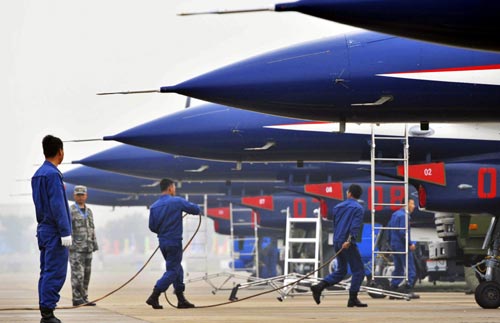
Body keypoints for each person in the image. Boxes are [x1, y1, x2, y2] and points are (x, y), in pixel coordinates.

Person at [31, 135, 72, 323]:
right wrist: (65, 232)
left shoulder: (38, 174)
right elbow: (58, 205)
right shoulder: (53, 174)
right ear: (60, 152)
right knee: (55, 271)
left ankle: (45, 309)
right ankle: (48, 313)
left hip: (43, 230)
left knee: (46, 271)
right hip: (55, 232)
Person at [146, 178, 201, 310]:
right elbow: (196, 209)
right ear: (170, 188)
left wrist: (163, 231)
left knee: (177, 268)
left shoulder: (154, 206)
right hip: (174, 242)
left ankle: (181, 299)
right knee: (173, 270)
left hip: (163, 242)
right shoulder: (176, 201)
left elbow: (152, 227)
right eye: (174, 187)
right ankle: (155, 295)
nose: (175, 190)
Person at [310, 184, 367, 308]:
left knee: (341, 270)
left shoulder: (338, 206)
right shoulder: (358, 208)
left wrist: (339, 239)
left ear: (349, 193)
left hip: (337, 240)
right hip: (347, 243)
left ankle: (319, 287)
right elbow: (355, 226)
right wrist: (350, 240)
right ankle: (353, 298)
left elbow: (335, 224)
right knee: (359, 271)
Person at [69, 185, 99, 306]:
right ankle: (76, 298)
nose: (80, 197)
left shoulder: (89, 211)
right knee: (78, 274)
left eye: (82, 194)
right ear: (74, 196)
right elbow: (68, 229)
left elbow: (92, 228)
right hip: (76, 248)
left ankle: (84, 297)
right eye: (78, 195)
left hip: (88, 247)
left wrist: (94, 244)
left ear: (86, 196)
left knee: (87, 274)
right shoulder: (71, 210)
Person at [388, 198, 420, 299]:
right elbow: (403, 232)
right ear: (406, 204)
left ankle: (393, 289)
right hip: (402, 246)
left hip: (395, 245)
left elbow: (389, 229)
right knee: (411, 268)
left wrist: (390, 243)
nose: (414, 206)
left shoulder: (395, 214)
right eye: (412, 203)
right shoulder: (404, 216)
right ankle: (408, 289)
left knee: (398, 268)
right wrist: (410, 243)